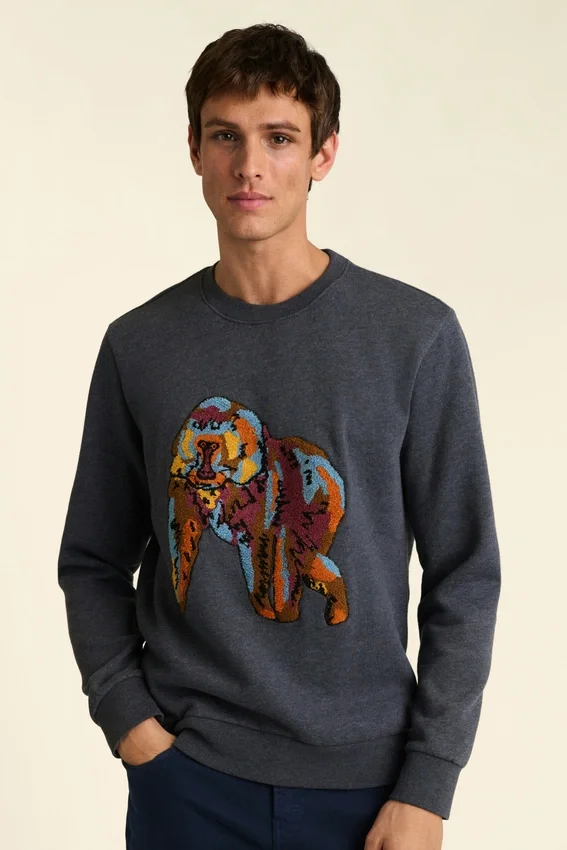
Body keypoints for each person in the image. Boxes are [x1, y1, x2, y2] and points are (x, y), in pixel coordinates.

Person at [57, 22, 501, 850]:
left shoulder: (414, 336)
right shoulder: (140, 346)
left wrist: (429, 783)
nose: (249, 166)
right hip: (187, 781)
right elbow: (91, 560)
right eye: (225, 136)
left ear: (323, 154)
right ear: (194, 149)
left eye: (279, 138)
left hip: (369, 788)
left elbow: (465, 574)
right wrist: (132, 725)